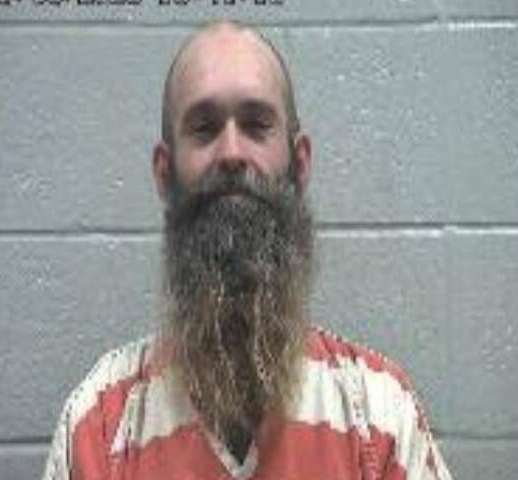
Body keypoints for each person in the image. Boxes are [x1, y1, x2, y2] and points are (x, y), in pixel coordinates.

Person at [42, 21, 453, 480]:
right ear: (164, 172)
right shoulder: (97, 427)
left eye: (257, 125)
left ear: (300, 165)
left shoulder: (382, 417)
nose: (232, 152)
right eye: (204, 128)